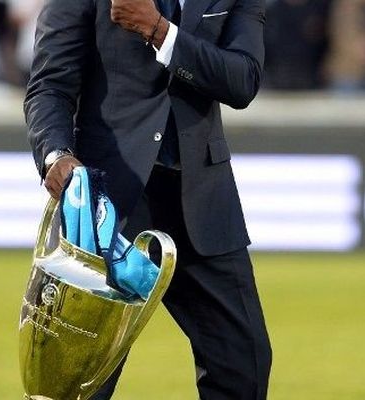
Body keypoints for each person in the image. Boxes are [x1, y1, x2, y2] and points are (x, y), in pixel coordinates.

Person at [24, 0, 272, 398]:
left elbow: (242, 81)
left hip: (201, 202)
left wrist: (159, 30)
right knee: (78, 376)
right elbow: (50, 85)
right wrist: (56, 153)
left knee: (244, 366)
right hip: (107, 210)